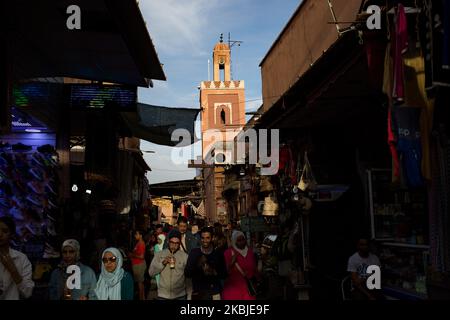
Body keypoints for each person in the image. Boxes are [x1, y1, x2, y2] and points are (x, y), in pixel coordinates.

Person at [185, 227, 227, 300]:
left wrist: (213, 271)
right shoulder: (194, 253)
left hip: (214, 293)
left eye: (207, 238)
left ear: (212, 238)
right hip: (198, 292)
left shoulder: (217, 254)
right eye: (203, 238)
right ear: (200, 238)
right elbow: (187, 273)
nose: (205, 240)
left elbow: (224, 275)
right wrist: (197, 263)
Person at [0, 217, 34, 300]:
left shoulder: (21, 259)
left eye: (5, 231)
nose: (0, 234)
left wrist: (13, 270)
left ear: (11, 234)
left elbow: (28, 292)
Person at [148, 230, 188, 300]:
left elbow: (189, 278)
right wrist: (163, 263)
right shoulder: (160, 254)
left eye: (177, 243)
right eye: (172, 242)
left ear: (179, 244)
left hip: (180, 296)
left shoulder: (184, 256)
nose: (174, 245)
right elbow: (151, 273)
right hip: (163, 296)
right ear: (168, 241)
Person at [222, 231, 257, 300]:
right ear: (234, 241)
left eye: (243, 239)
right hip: (233, 291)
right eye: (239, 240)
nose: (242, 242)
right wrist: (231, 263)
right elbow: (225, 272)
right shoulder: (228, 253)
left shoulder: (250, 252)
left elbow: (255, 269)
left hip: (248, 289)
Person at [129, 229, 146, 300]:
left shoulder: (141, 244)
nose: (135, 235)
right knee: (140, 284)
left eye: (137, 234)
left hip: (139, 265)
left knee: (140, 284)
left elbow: (142, 256)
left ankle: (141, 298)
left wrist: (132, 255)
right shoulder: (138, 243)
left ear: (141, 235)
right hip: (137, 265)